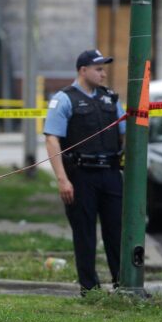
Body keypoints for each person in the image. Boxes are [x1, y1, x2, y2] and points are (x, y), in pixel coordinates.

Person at [43, 49, 127, 295]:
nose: (103, 74)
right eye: (98, 69)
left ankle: (122, 284)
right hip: (81, 176)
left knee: (116, 231)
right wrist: (62, 180)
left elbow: (125, 132)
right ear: (83, 71)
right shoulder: (64, 99)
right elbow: (52, 140)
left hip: (110, 173)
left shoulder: (110, 98)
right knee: (85, 234)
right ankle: (90, 289)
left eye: (104, 69)